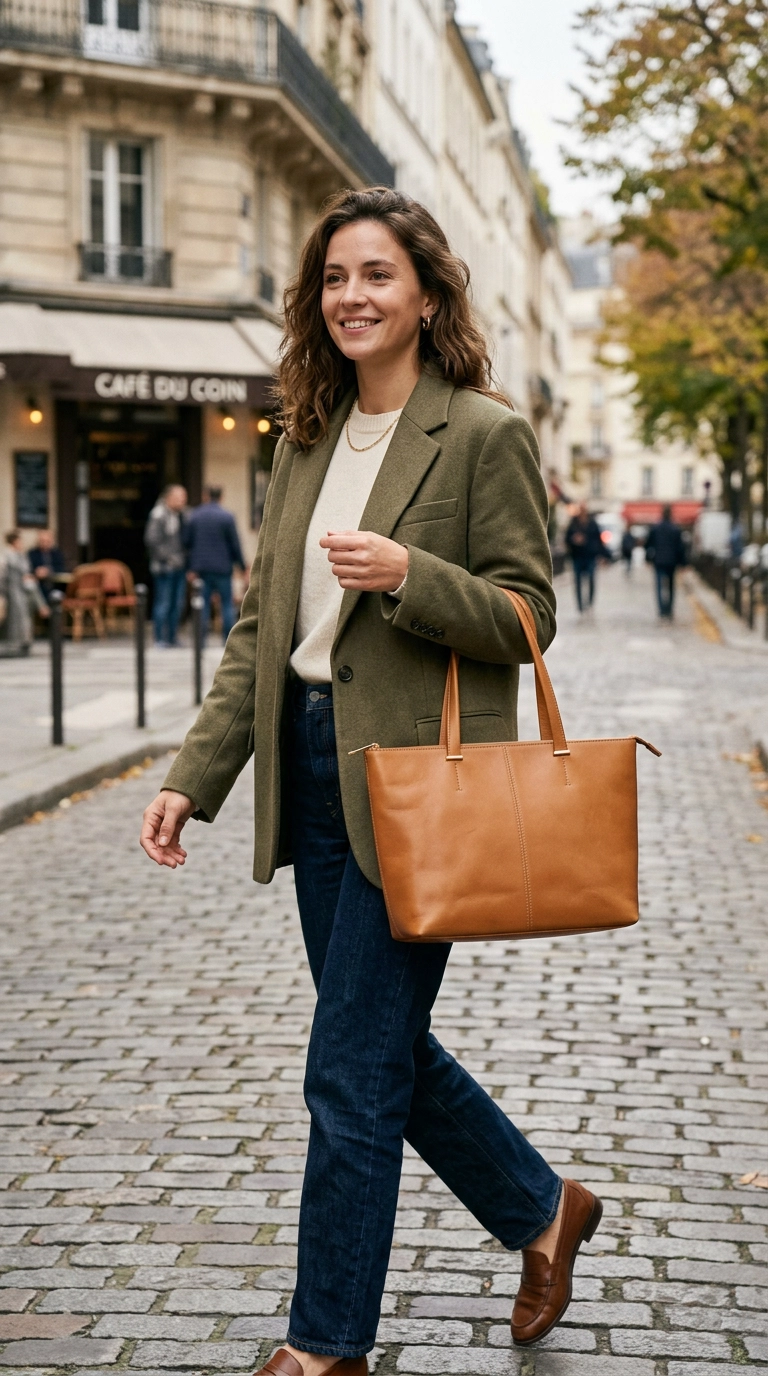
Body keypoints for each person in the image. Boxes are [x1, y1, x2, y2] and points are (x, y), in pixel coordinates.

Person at [139, 187, 603, 1366]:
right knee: (383, 1046)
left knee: (347, 1069)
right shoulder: (303, 433)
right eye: (336, 277)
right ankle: (542, 1207)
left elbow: (528, 616)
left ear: (428, 293)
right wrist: (197, 774)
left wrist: (409, 572)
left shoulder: (483, 431)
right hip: (310, 768)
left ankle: (326, 1342)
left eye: (378, 276)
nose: (353, 295)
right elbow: (260, 628)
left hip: (420, 784)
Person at [184, 485, 245, 643]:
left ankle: (200, 641)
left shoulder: (195, 515)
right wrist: (242, 566)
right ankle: (227, 640)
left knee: (202, 604)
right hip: (223, 567)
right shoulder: (227, 516)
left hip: (201, 568)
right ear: (221, 497)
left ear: (205, 496)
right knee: (226, 604)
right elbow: (235, 544)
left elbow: (186, 542)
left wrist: (190, 567)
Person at [145, 484, 188, 646]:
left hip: (179, 567)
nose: (183, 501)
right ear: (169, 498)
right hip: (163, 568)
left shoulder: (182, 515)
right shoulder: (158, 515)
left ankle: (172, 637)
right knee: (163, 603)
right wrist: (170, 558)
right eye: (179, 498)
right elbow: (152, 540)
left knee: (177, 604)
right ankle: (159, 638)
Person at [1, 531, 48, 654]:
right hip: (12, 591)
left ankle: (21, 644)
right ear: (15, 541)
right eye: (20, 541)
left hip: (20, 591)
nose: (22, 543)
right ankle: (14, 645)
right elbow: (3, 575)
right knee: (15, 619)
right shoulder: (6, 556)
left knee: (21, 618)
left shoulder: (19, 555)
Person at [645, 504, 686, 618]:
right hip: (671, 561)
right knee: (671, 586)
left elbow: (648, 544)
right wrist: (683, 563)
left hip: (659, 561)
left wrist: (648, 559)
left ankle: (662, 609)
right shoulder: (675, 529)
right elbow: (680, 548)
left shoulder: (656, 528)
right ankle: (669, 608)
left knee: (659, 586)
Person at [565, 503, 603, 612]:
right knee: (577, 582)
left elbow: (598, 539)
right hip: (577, 556)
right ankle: (580, 605)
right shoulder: (573, 523)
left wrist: (598, 553)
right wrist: (574, 540)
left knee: (591, 580)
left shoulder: (592, 523)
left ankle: (590, 603)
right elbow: (567, 539)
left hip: (590, 556)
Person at [27, 529, 66, 603]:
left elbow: (61, 568)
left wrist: (48, 570)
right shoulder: (32, 553)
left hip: (55, 585)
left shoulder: (57, 553)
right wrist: (36, 572)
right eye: (42, 541)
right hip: (38, 586)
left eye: (47, 541)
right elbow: (28, 568)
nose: (45, 543)